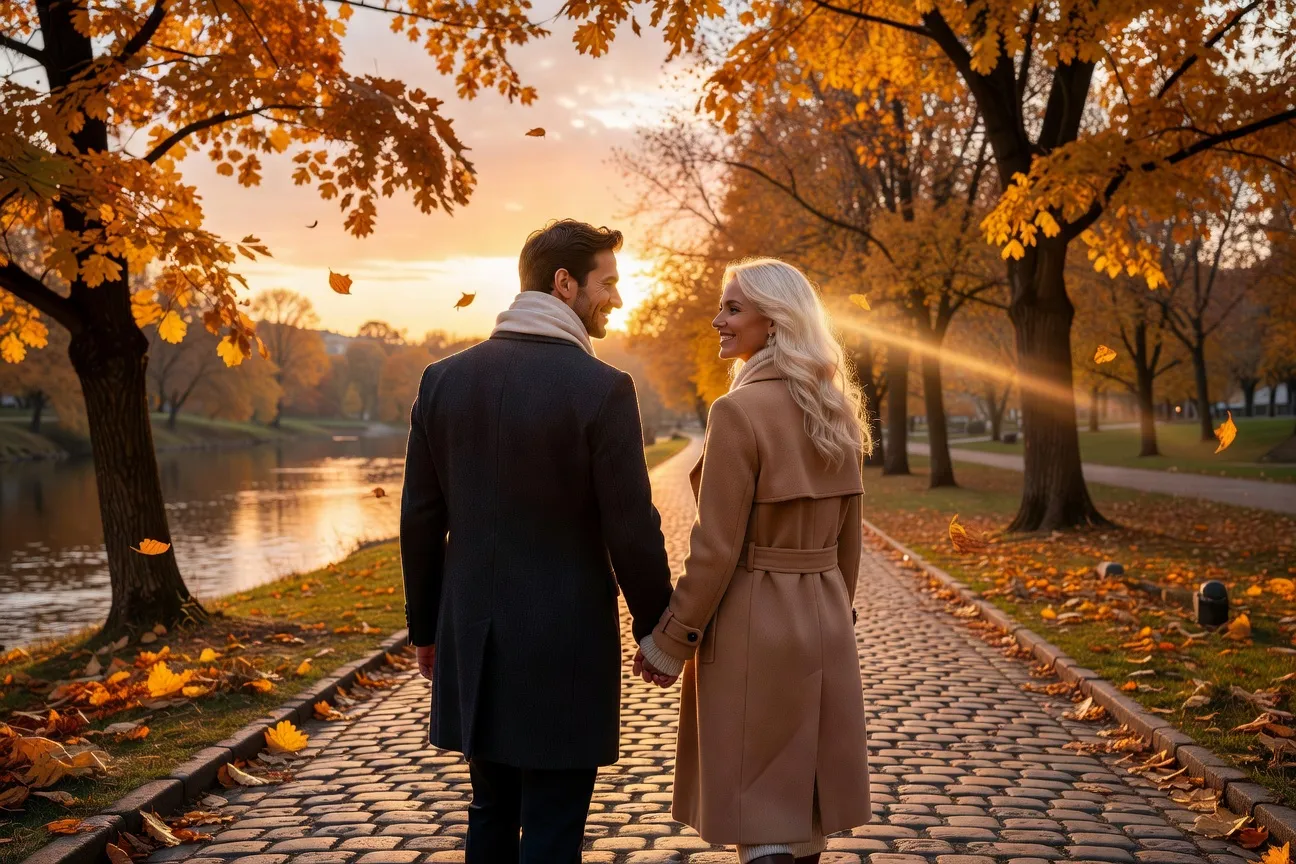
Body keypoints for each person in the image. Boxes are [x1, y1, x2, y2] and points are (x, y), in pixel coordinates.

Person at [400, 219, 677, 864]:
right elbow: (631, 524)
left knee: (490, 810)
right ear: (564, 283)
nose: (615, 297)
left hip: (474, 631)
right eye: (606, 283)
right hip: (564, 641)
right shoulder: (602, 388)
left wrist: (425, 630)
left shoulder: (442, 380)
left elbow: (419, 518)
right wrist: (658, 628)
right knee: (554, 822)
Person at [634, 257, 874, 864]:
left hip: (753, 628)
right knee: (803, 812)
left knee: (762, 813)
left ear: (775, 320)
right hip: (823, 619)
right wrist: (832, 614)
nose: (718, 319)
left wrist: (671, 641)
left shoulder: (737, 412)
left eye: (733, 308)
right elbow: (850, 546)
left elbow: (714, 550)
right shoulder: (835, 410)